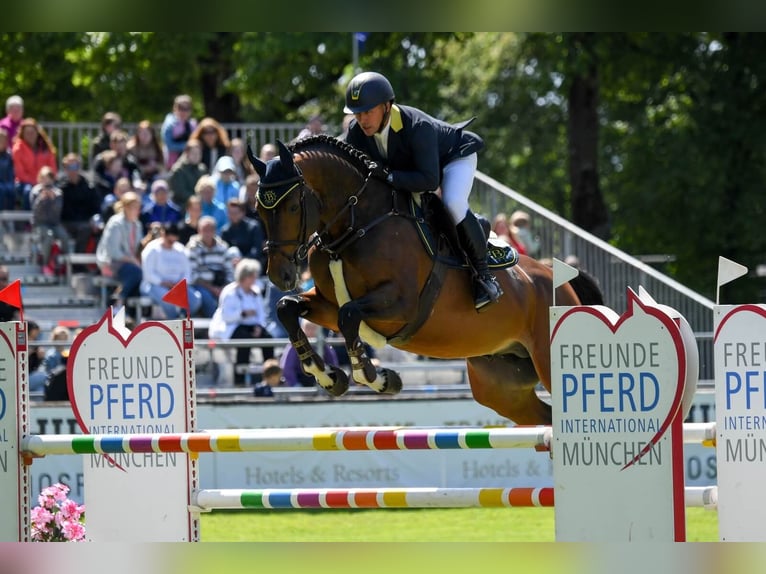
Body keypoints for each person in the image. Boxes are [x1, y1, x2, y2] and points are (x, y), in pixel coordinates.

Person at [343, 71, 502, 310]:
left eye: (368, 111)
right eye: (357, 113)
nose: (362, 119)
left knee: (452, 203)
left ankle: (484, 277)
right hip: (415, 170)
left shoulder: (417, 127)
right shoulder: (357, 132)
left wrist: (387, 176)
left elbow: (429, 180)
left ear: (386, 106)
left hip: (452, 158)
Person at [208, 258, 274, 386]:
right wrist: (243, 313)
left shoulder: (255, 292)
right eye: (251, 276)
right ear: (244, 277)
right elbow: (226, 316)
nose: (254, 279)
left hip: (252, 325)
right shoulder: (230, 292)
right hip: (233, 326)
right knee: (245, 340)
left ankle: (271, 376)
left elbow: (261, 314)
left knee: (268, 339)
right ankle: (240, 381)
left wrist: (259, 327)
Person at [140, 222, 202, 319]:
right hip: (154, 286)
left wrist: (179, 284)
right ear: (163, 235)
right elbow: (148, 274)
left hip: (177, 287)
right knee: (168, 301)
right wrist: (164, 283)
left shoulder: (180, 250)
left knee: (195, 300)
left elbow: (187, 272)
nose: (172, 243)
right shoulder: (152, 249)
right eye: (169, 241)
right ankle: (174, 323)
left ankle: (182, 318)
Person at [95, 191, 144, 315]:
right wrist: (133, 260)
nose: (137, 211)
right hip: (111, 262)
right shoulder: (115, 223)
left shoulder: (137, 225)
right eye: (134, 207)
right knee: (136, 272)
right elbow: (113, 251)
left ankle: (129, 312)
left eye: (138, 207)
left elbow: (137, 247)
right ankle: (118, 299)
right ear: (126, 207)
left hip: (131, 263)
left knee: (140, 274)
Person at [186, 215, 238, 317]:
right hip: (200, 286)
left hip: (221, 285)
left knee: (232, 296)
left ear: (215, 230)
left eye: (210, 229)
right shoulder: (192, 248)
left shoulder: (223, 247)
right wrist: (212, 288)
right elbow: (193, 274)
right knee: (208, 300)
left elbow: (229, 271)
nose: (207, 233)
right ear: (199, 230)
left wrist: (224, 288)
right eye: (204, 230)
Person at [30, 166, 71, 275]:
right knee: (48, 237)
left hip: (54, 223)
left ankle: (65, 263)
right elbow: (35, 212)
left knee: (64, 236)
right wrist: (41, 200)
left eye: (48, 178)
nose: (46, 181)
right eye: (44, 178)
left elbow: (58, 211)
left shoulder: (58, 192)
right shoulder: (35, 191)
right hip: (40, 224)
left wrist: (53, 200)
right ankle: (45, 263)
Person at [58, 152, 101, 253]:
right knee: (82, 228)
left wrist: (94, 220)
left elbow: (96, 208)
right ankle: (74, 262)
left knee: (94, 229)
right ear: (65, 169)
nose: (73, 170)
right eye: (69, 167)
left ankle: (88, 263)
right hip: (66, 223)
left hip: (85, 222)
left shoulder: (89, 186)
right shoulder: (60, 188)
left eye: (75, 166)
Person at [11, 118, 57, 210]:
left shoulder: (46, 147)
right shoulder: (18, 148)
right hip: (25, 183)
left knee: (57, 192)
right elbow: (20, 173)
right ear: (22, 134)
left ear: (37, 132)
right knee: (28, 191)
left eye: (32, 132)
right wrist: (36, 183)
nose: (30, 135)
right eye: (27, 133)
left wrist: (45, 182)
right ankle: (27, 221)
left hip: (46, 181)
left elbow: (52, 169)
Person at [279, 318, 339, 387]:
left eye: (313, 328)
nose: (310, 331)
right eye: (308, 327)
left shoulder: (323, 345)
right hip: (300, 378)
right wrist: (295, 385)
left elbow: (333, 365)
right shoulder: (294, 345)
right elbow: (287, 368)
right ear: (302, 329)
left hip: (319, 379)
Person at [220, 198, 266, 270]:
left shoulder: (253, 227)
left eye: (235, 213)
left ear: (243, 212)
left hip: (251, 264)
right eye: (230, 213)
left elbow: (257, 250)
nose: (233, 215)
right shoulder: (225, 231)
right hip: (233, 266)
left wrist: (243, 260)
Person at [169, 139, 207, 213]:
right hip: (183, 206)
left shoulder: (202, 169)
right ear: (187, 154)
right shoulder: (178, 170)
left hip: (201, 204)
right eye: (193, 153)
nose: (196, 156)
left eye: (198, 153)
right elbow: (180, 192)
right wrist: (196, 199)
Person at [161, 94, 197, 169]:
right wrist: (188, 147)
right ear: (175, 108)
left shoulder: (192, 125)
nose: (183, 111)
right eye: (180, 108)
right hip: (172, 164)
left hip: (189, 163)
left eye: (187, 108)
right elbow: (170, 146)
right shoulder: (169, 125)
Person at [127, 120, 164, 187]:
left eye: (147, 133)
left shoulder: (157, 148)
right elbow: (130, 167)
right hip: (137, 178)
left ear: (152, 134)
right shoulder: (131, 148)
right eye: (142, 133)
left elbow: (163, 166)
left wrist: (156, 166)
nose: (144, 136)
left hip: (155, 177)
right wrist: (145, 168)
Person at [0, 127, 14, 210]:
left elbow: (11, 170)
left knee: (11, 190)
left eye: (3, 140)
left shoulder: (9, 155)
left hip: (7, 181)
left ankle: (10, 216)